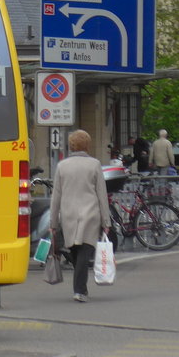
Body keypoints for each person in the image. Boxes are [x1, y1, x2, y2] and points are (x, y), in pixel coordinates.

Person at [50, 129, 110, 303]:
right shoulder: (94, 165)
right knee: (86, 249)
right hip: (90, 213)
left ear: (71, 145)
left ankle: (79, 288)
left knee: (76, 250)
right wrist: (106, 221)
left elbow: (56, 196)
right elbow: (101, 194)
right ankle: (80, 290)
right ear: (87, 145)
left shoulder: (62, 166)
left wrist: (53, 223)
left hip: (68, 214)